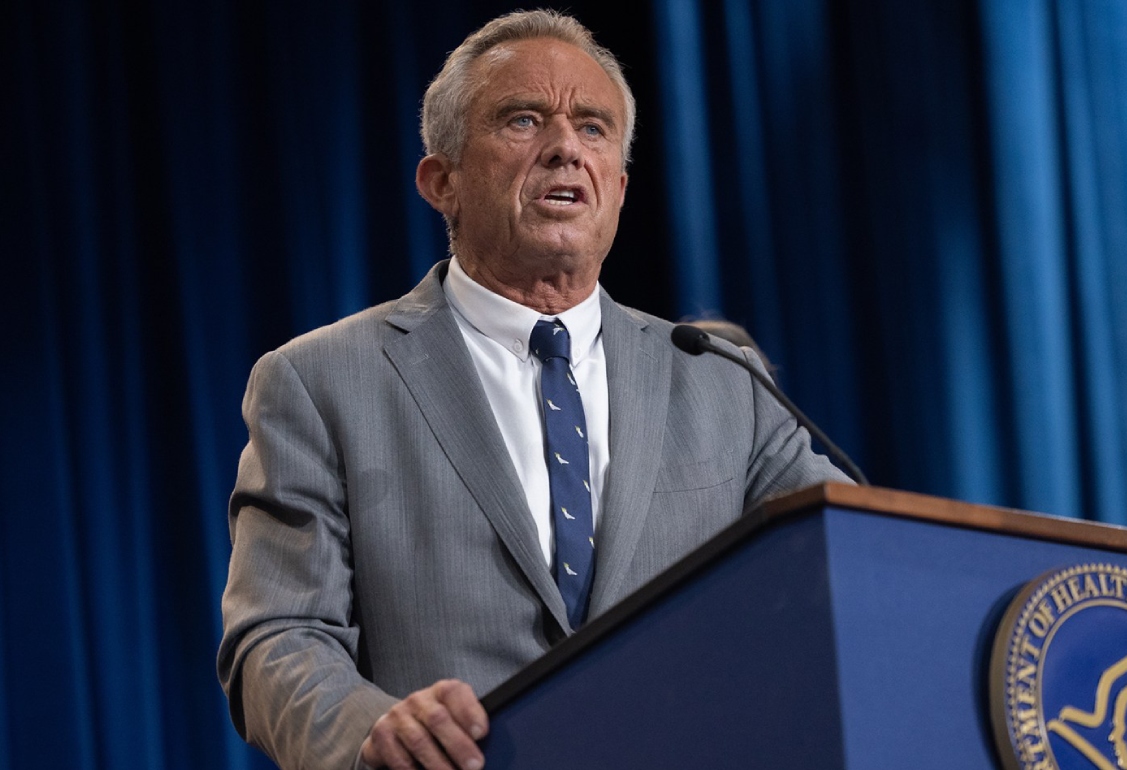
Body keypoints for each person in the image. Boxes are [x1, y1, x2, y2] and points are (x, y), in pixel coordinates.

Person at [217, 10, 848, 770]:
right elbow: (277, 637)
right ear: (441, 182)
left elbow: (851, 563)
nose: (565, 148)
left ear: (618, 188)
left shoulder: (722, 381)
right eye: (523, 120)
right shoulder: (320, 383)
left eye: (592, 128)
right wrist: (372, 730)